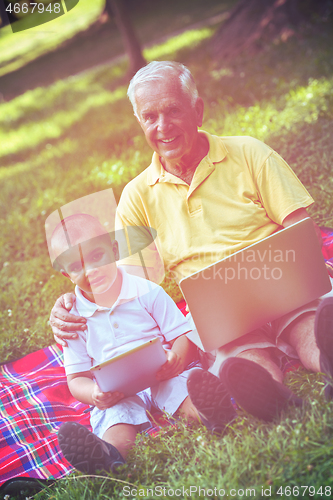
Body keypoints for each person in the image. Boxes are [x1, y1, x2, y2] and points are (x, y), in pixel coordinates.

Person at [50, 61, 333, 428]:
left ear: (197, 110)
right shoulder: (137, 197)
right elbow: (126, 286)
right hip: (222, 318)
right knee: (242, 362)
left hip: (285, 286)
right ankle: (277, 401)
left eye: (172, 111)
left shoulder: (248, 153)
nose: (162, 127)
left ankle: (325, 360)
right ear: (140, 123)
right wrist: (72, 300)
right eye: (150, 116)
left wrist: (298, 274)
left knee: (310, 328)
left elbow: (301, 229)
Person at [50, 213, 205, 474]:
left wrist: (176, 360)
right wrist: (95, 395)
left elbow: (182, 335)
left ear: (114, 249)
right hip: (116, 393)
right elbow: (76, 378)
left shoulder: (147, 291)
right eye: (77, 266)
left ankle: (212, 416)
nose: (90, 270)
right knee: (117, 425)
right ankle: (107, 459)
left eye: (96, 256)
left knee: (185, 396)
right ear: (67, 274)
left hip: (162, 374)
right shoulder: (72, 319)